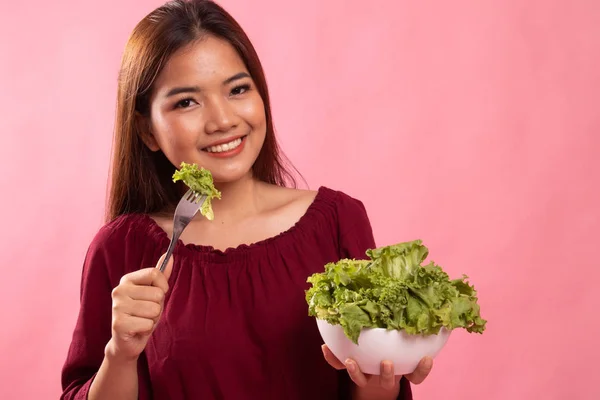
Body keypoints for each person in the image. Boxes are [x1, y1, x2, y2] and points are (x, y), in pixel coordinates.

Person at [60, 0, 433, 399]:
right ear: (147, 130)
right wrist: (120, 353)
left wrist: (382, 380)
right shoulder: (121, 247)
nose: (222, 120)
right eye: (187, 101)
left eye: (238, 89)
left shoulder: (338, 220)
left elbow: (369, 386)